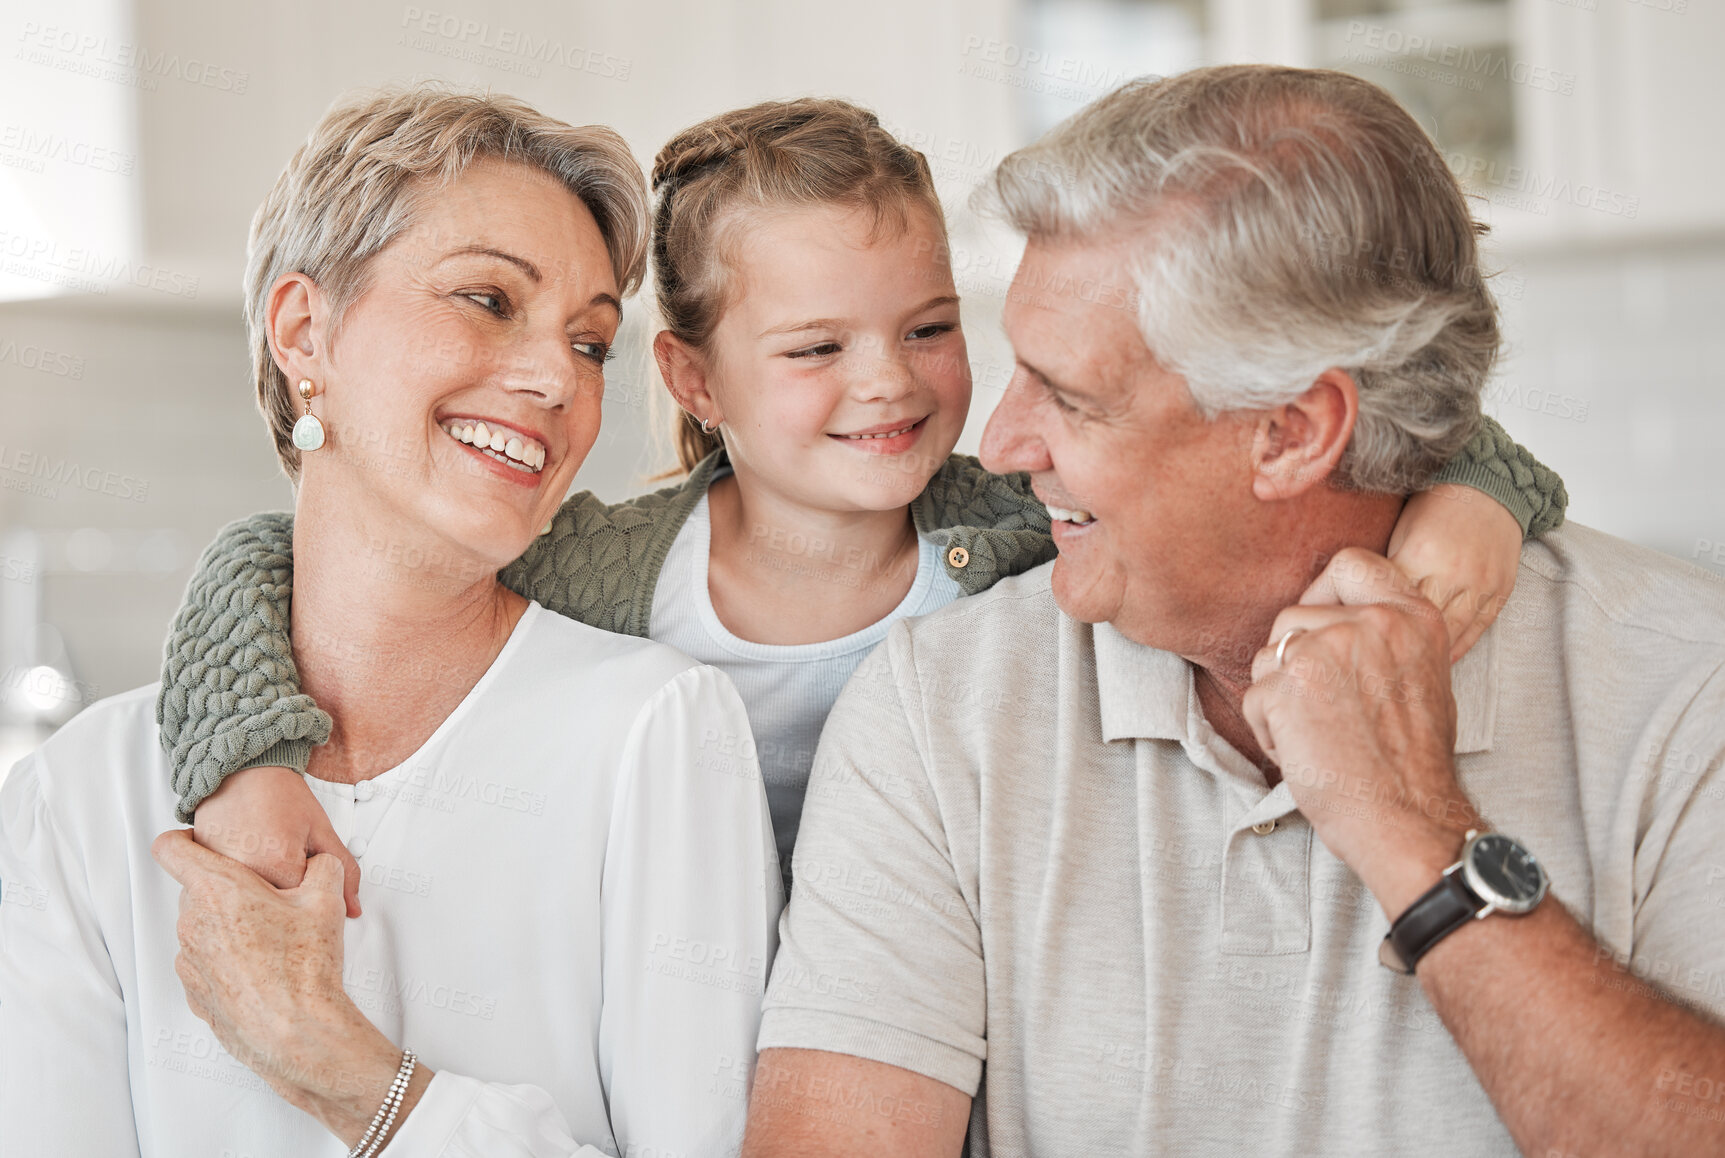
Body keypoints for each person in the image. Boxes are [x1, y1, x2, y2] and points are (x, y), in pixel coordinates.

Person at [156, 99, 1563, 911]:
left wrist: (1475, 500)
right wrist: (245, 759)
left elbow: (1349, 424)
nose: (889, 386)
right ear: (691, 375)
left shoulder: (1018, 528)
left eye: (932, 326)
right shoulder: (601, 566)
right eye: (817, 348)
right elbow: (278, 561)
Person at [742, 66, 1725, 1156]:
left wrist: (1413, 827)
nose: (1004, 447)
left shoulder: (1687, 693)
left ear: (1294, 432)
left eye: (1068, 396)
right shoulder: (941, 711)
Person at [0, 85, 779, 1157]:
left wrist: (345, 1072)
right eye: (489, 300)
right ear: (304, 330)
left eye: (591, 343)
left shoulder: (657, 734)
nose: (557, 376)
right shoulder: (81, 797)